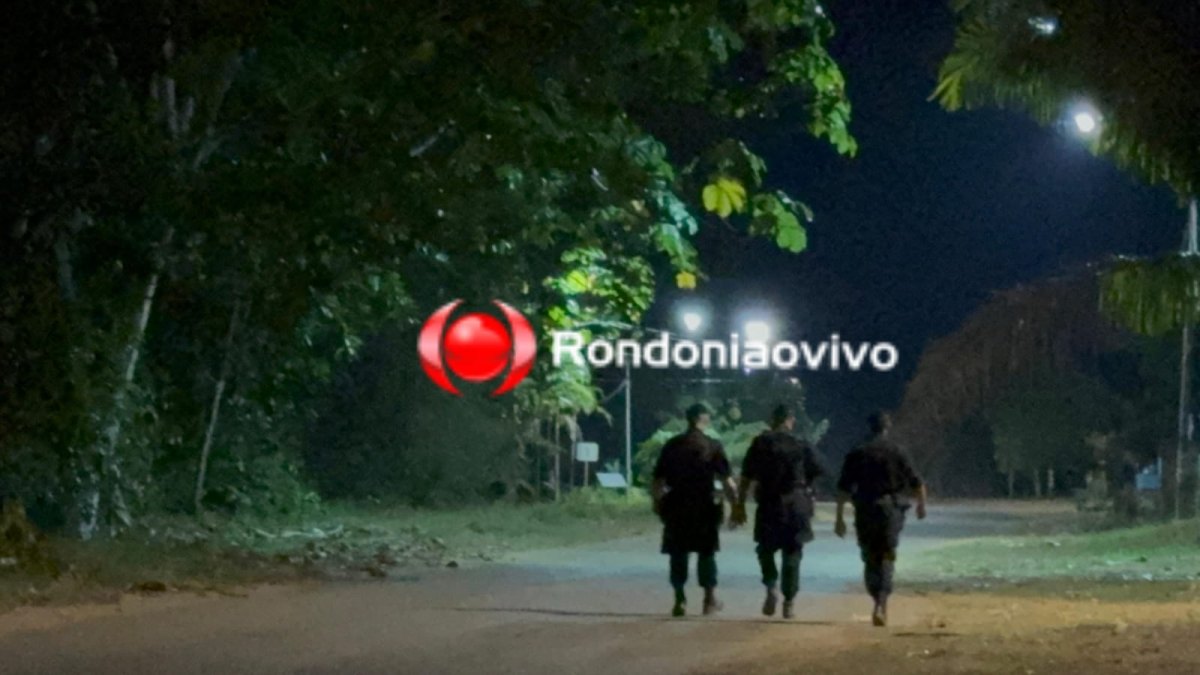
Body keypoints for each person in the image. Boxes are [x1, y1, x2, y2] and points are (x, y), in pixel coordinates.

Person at [834, 412, 926, 627]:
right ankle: (881, 603)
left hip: (865, 509)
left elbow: (843, 489)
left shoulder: (857, 452)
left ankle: (877, 598)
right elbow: (917, 482)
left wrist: (839, 518)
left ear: (869, 427)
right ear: (887, 427)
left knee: (869, 556)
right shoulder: (897, 451)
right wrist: (921, 505)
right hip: (890, 510)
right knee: (886, 555)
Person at [732, 404, 824, 619]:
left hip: (769, 503)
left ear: (772, 420)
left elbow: (746, 477)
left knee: (765, 549)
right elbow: (818, 472)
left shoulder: (760, 443)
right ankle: (789, 602)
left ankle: (771, 585)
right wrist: (811, 495)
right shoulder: (801, 444)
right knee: (792, 552)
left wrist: (740, 505)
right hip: (796, 503)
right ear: (790, 420)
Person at [652, 403, 738, 617]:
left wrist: (657, 504)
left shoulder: (672, 445)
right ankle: (709, 599)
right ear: (704, 419)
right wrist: (736, 506)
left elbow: (658, 481)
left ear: (687, 419)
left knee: (678, 553)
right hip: (704, 505)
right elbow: (727, 481)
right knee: (706, 553)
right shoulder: (713, 445)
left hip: (677, 504)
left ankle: (680, 599)